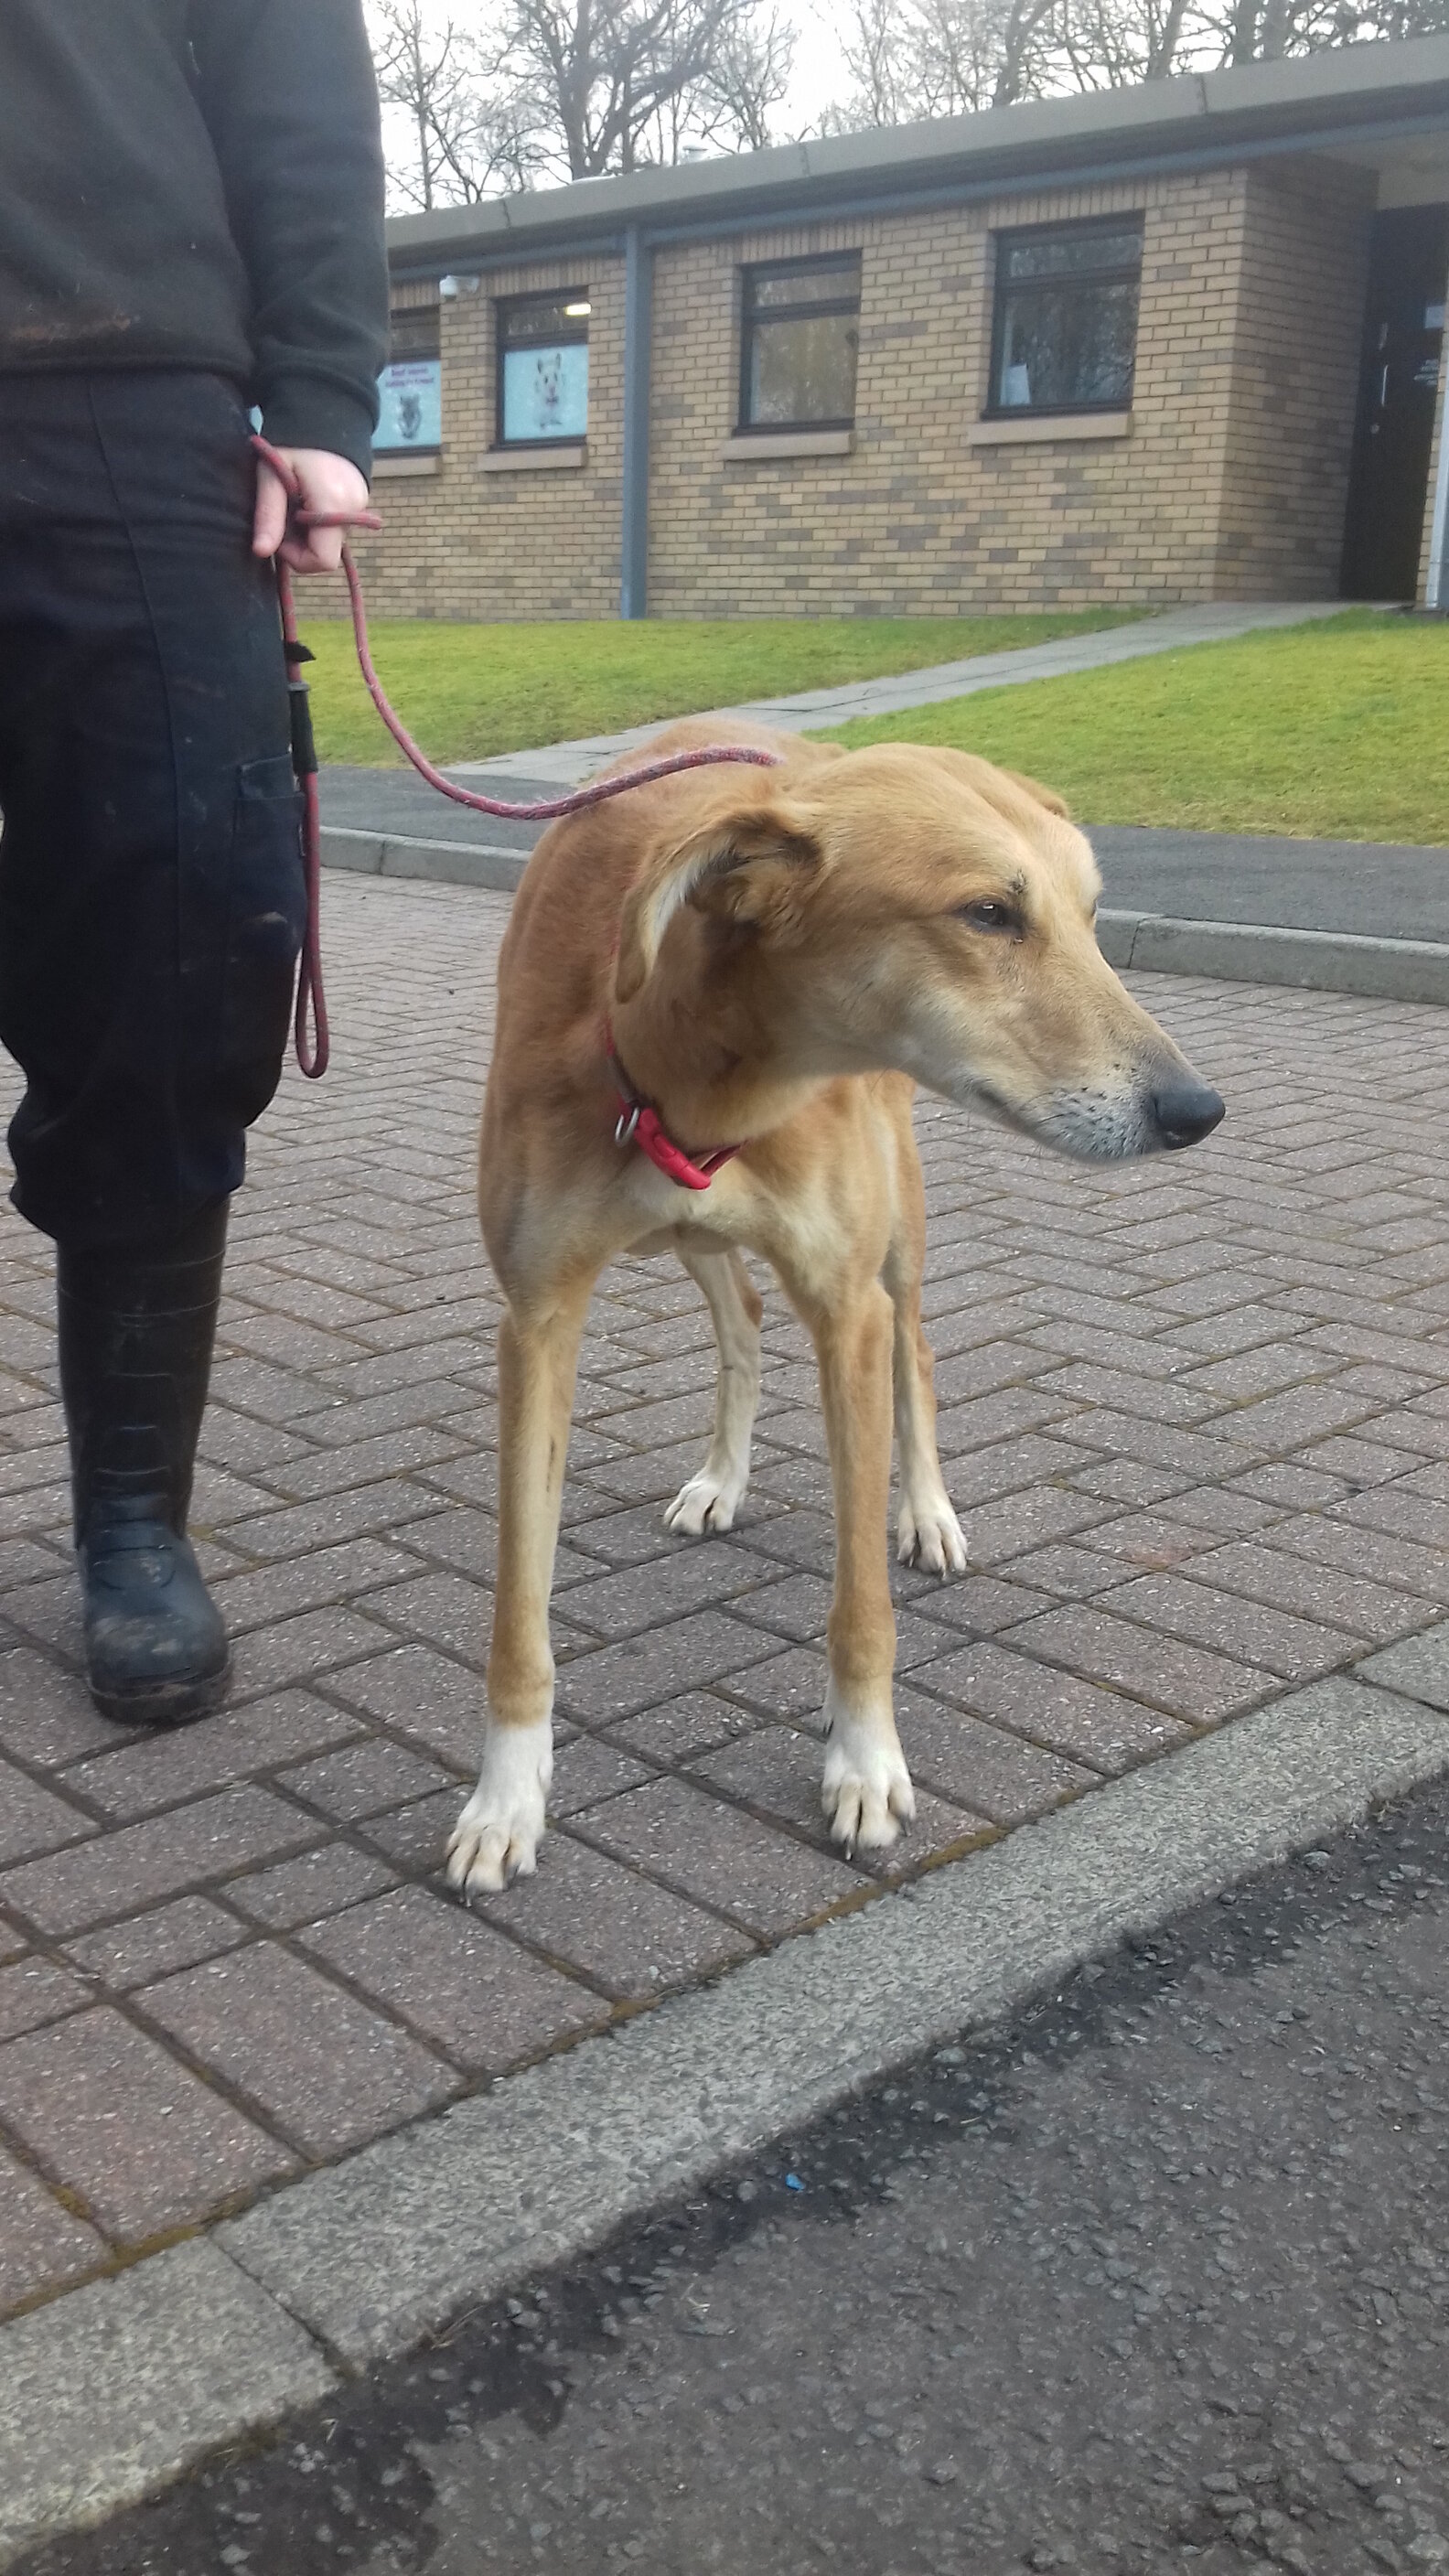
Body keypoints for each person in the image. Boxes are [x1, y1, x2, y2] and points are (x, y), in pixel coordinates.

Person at [0, 4, 389, 1725]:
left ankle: (132, 1525)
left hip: (134, 405)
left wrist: (319, 398)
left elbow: (291, 81)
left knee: (182, 943)